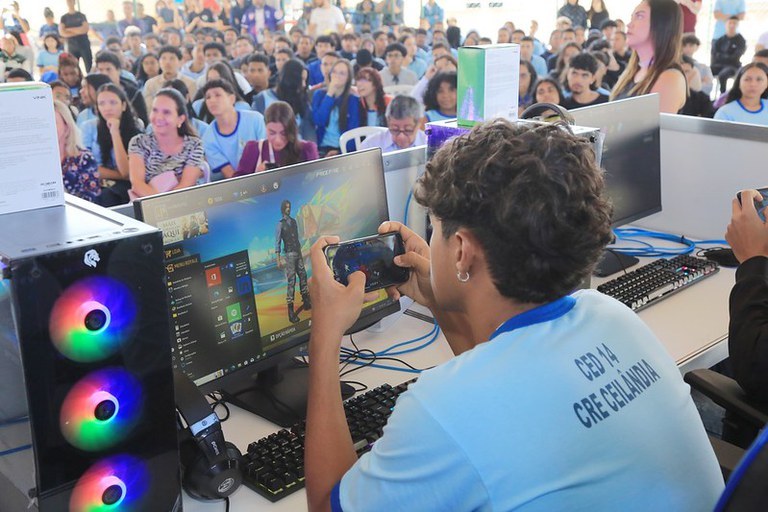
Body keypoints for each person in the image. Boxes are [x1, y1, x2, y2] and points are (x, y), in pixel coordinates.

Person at [303, 119, 724, 511]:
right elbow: (497, 371)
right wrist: (441, 298)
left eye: (435, 229)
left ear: (463, 250)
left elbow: (325, 505)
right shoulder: (612, 316)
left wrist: (325, 336)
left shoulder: (441, 409)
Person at [610, 0, 686, 114]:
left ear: (662, 24)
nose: (629, 24)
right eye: (632, 17)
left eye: (639, 16)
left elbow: (650, 130)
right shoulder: (633, 71)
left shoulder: (670, 77)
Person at [128, 88, 205, 198]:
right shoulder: (139, 143)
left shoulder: (194, 145)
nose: (158, 117)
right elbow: (137, 185)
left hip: (185, 203)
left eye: (166, 112)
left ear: (180, 119)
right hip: (149, 206)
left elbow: (186, 185)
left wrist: (166, 207)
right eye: (155, 110)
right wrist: (160, 207)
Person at [81, 83, 144, 206]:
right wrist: (122, 175)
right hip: (98, 184)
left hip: (126, 187)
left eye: (113, 103)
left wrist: (115, 132)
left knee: (110, 197)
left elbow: (126, 171)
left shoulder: (136, 129)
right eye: (102, 103)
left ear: (124, 105)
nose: (107, 108)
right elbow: (88, 168)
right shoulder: (89, 127)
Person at [200, 79, 266, 180]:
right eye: (208, 97)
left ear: (232, 99)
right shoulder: (208, 138)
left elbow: (268, 155)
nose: (212, 100)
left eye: (218, 95)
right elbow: (230, 175)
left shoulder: (255, 119)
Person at [236, 101, 319, 175]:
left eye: (283, 133)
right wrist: (256, 177)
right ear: (265, 127)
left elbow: (317, 183)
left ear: (292, 130)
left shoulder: (307, 150)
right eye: (272, 133)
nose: (278, 140)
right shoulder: (253, 149)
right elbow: (236, 188)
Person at [253, 58, 316, 142]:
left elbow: (309, 134)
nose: (304, 84)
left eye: (305, 80)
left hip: (297, 150)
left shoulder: (302, 100)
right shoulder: (262, 99)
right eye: (302, 79)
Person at [53, 100, 101, 204]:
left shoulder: (84, 159)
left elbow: (91, 201)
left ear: (66, 126)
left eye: (53, 122)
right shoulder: (35, 162)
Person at [312, 59, 360, 156]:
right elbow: (319, 120)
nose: (337, 76)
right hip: (321, 148)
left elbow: (353, 132)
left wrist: (340, 152)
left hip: (343, 150)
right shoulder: (319, 95)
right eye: (334, 72)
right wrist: (329, 94)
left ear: (348, 78)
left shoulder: (353, 100)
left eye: (342, 73)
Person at [275, 199, 311, 324]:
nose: (288, 209)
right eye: (286, 207)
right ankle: (291, 312)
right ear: (282, 209)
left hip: (298, 252)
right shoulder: (280, 224)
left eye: (289, 206)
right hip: (289, 254)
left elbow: (297, 237)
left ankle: (306, 301)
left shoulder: (294, 222)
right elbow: (278, 242)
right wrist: (278, 259)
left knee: (303, 275)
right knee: (291, 281)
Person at [95, 50, 150, 125]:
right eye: (101, 70)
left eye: (108, 69)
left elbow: (143, 120)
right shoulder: (94, 91)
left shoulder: (133, 92)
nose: (104, 74)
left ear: (118, 70)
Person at [360, 94, 426, 152]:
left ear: (419, 123)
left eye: (408, 130)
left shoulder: (429, 144)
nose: (401, 137)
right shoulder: (371, 146)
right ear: (388, 121)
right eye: (395, 129)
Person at [711, 17, 747, 94]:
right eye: (730, 23)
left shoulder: (741, 41)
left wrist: (722, 57)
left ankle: (722, 96)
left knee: (723, 75)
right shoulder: (720, 40)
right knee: (706, 71)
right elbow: (715, 54)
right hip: (718, 65)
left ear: (737, 25)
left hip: (732, 66)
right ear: (726, 24)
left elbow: (736, 56)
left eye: (734, 23)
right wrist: (725, 57)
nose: (732, 25)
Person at [59, 0, 92, 72]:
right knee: (74, 67)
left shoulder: (81, 15)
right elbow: (62, 32)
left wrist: (69, 29)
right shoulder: (64, 18)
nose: (70, 3)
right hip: (72, 46)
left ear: (74, 2)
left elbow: (85, 29)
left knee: (89, 67)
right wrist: (79, 30)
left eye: (71, 1)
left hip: (84, 45)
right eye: (68, 1)